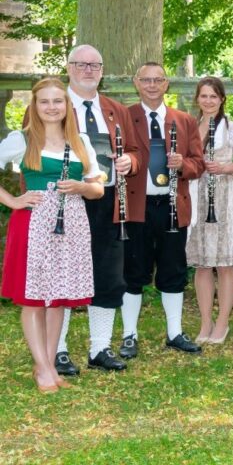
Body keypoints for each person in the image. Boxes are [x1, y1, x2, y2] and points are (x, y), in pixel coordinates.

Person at [0, 78, 103, 392]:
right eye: (44, 101)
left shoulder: (80, 140)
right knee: (33, 298)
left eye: (58, 101)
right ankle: (44, 369)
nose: (51, 107)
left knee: (57, 298)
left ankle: (47, 365)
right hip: (33, 223)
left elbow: (98, 188)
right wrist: (12, 200)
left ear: (67, 105)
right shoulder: (22, 139)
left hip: (71, 224)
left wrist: (82, 187)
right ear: (35, 105)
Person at [53, 45, 140, 375]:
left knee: (108, 275)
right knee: (61, 275)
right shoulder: (52, 105)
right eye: (81, 64)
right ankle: (58, 349)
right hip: (65, 201)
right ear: (69, 68)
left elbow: (135, 150)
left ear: (102, 71)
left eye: (95, 65)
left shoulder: (116, 109)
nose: (88, 70)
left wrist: (130, 161)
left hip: (109, 202)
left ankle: (99, 348)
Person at [120, 63, 207, 357]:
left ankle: (174, 332)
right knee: (133, 271)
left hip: (172, 206)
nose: (152, 85)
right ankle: (129, 335)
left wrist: (183, 165)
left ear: (166, 84)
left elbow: (198, 164)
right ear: (136, 83)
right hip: (137, 206)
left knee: (173, 270)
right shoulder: (124, 116)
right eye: (146, 80)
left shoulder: (184, 120)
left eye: (158, 80)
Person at [186, 77, 233, 345]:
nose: (208, 101)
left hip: (224, 196)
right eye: (204, 96)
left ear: (222, 99)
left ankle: (223, 322)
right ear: (197, 99)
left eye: (213, 96)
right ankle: (206, 322)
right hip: (197, 195)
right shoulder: (189, 127)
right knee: (203, 264)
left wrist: (225, 168)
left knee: (225, 263)